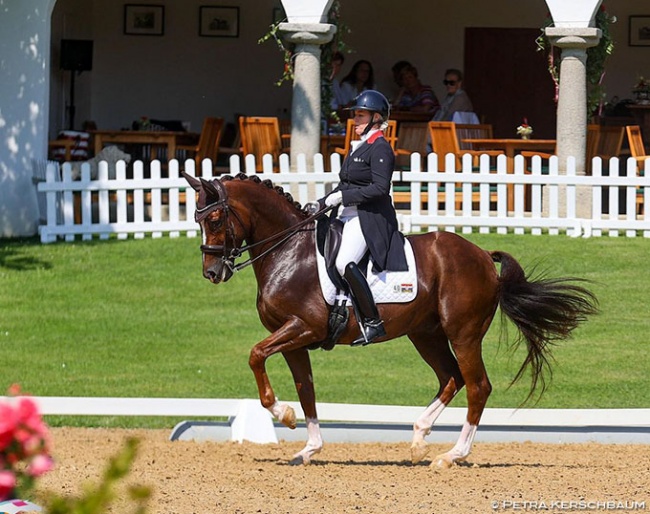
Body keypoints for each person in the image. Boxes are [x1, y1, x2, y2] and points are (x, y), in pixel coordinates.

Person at [318, 90, 408, 346]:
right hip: (347, 215)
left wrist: (343, 198)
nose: (354, 120)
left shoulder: (380, 149)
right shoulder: (358, 146)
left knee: (345, 262)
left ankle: (373, 322)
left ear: (376, 118)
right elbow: (345, 183)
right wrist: (324, 201)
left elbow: (380, 188)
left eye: (360, 115)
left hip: (370, 217)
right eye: (355, 115)